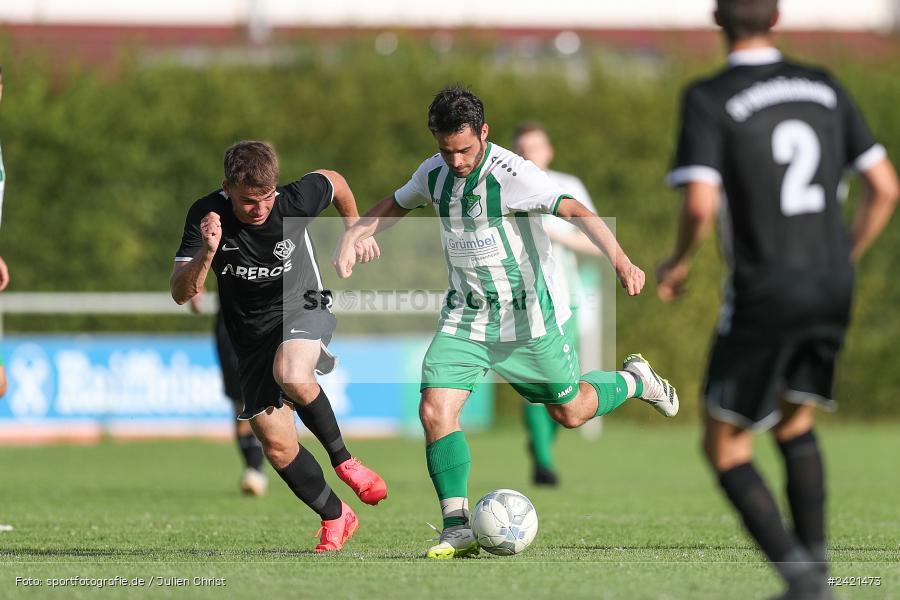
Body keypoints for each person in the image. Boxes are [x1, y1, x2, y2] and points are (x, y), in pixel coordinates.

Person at [334, 86, 679, 559]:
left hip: (528, 319)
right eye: (447, 150)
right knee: (435, 409)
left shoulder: (514, 175)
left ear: (484, 133)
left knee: (570, 412)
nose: (456, 161)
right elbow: (395, 203)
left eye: (464, 149)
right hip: (466, 316)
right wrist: (355, 233)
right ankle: (456, 527)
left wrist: (620, 259)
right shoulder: (433, 172)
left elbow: (575, 210)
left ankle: (635, 380)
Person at [657, 2, 899, 598]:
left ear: (718, 19)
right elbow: (885, 188)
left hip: (767, 286)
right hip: (831, 281)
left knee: (723, 444)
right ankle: (816, 576)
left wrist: (678, 261)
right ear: (777, 17)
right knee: (795, 418)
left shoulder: (709, 97)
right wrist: (842, 256)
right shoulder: (824, 85)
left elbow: (700, 203)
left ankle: (804, 580)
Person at [171, 140, 388, 552]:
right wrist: (207, 252)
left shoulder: (293, 200)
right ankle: (336, 515)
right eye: (249, 201)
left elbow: (335, 181)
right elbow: (181, 293)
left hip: (302, 305)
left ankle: (345, 461)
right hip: (249, 335)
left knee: (291, 371)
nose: (260, 208)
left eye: (267, 197)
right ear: (227, 188)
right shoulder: (206, 215)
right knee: (276, 444)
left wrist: (353, 230)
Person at [512, 122, 603, 487]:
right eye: (522, 149)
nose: (529, 154)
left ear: (549, 151)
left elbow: (596, 242)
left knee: (566, 387)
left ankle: (541, 445)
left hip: (566, 298)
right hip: (521, 301)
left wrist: (555, 234)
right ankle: (544, 462)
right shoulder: (501, 186)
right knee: (537, 380)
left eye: (535, 147)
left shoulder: (568, 186)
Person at [190, 294, 268, 497]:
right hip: (231, 316)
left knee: (268, 394)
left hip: (272, 311)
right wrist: (195, 285)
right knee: (241, 400)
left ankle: (263, 464)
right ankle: (254, 468)